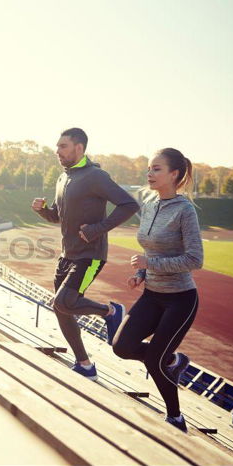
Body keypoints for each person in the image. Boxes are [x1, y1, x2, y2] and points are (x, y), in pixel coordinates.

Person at [32, 128, 139, 380]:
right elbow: (57, 216)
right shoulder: (63, 178)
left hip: (89, 255)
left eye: (63, 146)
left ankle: (111, 312)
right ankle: (85, 365)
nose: (57, 151)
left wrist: (97, 229)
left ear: (79, 148)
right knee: (62, 308)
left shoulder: (95, 176)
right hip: (66, 255)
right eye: (57, 146)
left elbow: (129, 204)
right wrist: (43, 210)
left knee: (63, 301)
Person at [111, 148, 202, 433]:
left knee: (154, 360)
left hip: (180, 300)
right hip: (152, 294)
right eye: (149, 168)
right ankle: (174, 361)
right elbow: (150, 247)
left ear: (174, 174)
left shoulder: (185, 210)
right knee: (121, 347)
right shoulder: (149, 205)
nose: (149, 174)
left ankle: (176, 418)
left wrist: (150, 263)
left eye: (157, 169)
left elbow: (195, 260)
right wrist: (142, 272)